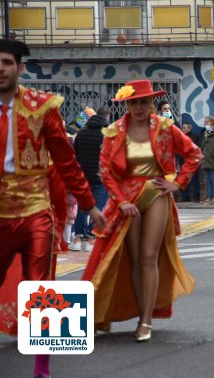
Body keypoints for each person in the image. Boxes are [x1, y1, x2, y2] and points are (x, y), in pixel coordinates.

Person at [0, 39, 106, 378]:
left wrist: (89, 205)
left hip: (35, 210)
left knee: (43, 289)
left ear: (20, 67)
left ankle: (42, 371)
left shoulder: (41, 106)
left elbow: (65, 161)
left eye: (5, 62)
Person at [81, 79, 202, 342]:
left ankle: (146, 320)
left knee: (149, 256)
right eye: (134, 102)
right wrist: (121, 201)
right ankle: (140, 313)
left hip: (156, 193)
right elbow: (105, 170)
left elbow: (194, 154)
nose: (139, 107)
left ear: (151, 103)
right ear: (126, 104)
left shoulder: (166, 128)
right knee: (135, 259)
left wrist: (177, 183)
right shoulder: (113, 131)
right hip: (126, 199)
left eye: (144, 102)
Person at [71, 106, 111, 251]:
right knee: (98, 209)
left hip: (83, 177)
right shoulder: (106, 135)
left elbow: (75, 157)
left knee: (82, 208)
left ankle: (76, 238)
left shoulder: (81, 133)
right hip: (100, 178)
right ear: (106, 119)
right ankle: (90, 239)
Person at [180, 122, 203, 202]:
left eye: (185, 128)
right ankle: (185, 196)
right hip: (183, 162)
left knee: (194, 180)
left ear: (190, 128)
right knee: (185, 179)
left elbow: (196, 150)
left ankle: (196, 196)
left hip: (192, 163)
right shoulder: (181, 137)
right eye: (183, 128)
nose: (183, 129)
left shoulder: (194, 137)